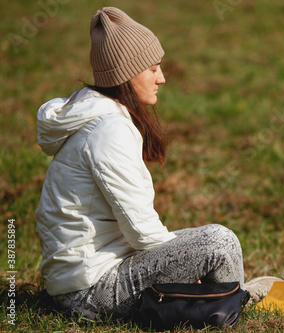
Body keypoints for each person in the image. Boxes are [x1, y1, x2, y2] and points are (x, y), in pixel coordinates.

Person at [35, 7, 246, 319]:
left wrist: (182, 263)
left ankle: (222, 300)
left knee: (204, 245)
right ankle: (232, 305)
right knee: (218, 242)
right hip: (89, 290)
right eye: (153, 69)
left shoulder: (97, 116)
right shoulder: (109, 131)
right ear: (126, 74)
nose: (161, 77)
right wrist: (185, 266)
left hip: (85, 278)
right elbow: (144, 235)